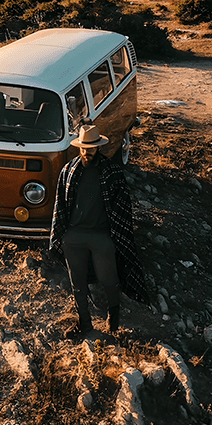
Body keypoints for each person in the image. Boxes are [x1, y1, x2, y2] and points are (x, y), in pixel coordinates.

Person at [50, 124, 147, 341]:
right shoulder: (69, 171)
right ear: (79, 147)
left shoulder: (111, 173)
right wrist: (63, 236)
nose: (87, 151)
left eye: (91, 147)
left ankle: (113, 315)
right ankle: (84, 323)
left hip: (101, 237)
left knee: (108, 279)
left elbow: (123, 209)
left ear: (99, 147)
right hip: (73, 237)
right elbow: (60, 205)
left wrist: (115, 236)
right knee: (78, 284)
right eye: (84, 147)